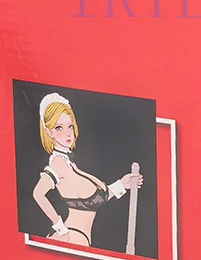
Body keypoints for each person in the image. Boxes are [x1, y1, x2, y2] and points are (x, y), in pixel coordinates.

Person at [31, 93, 143, 247]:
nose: (68, 133)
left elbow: (96, 200)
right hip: (73, 236)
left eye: (70, 126)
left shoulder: (69, 163)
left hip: (80, 237)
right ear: (48, 132)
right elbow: (38, 193)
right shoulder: (58, 163)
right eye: (59, 128)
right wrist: (61, 229)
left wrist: (121, 185)